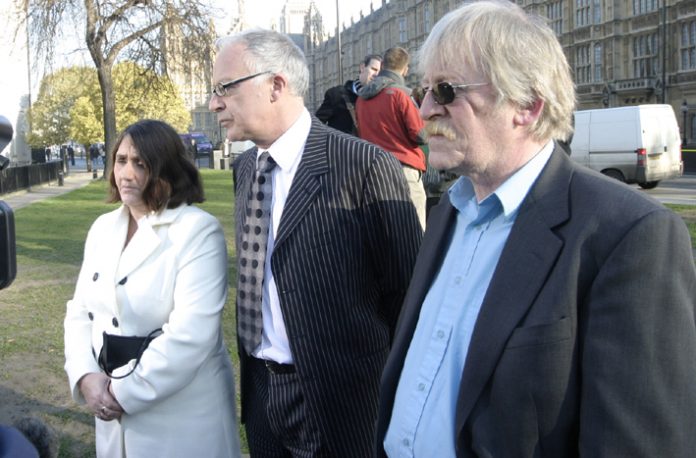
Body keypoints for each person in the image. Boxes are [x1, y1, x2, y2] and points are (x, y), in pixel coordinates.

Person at [376, 1, 696, 457]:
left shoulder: (629, 236)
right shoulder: (451, 209)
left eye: (445, 91)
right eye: (421, 90)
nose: (424, 110)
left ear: (526, 105)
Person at [209, 29, 422, 457]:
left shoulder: (364, 165)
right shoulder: (248, 168)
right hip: (264, 398)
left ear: (276, 85)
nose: (215, 103)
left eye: (225, 89)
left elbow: (407, 298)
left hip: (343, 406)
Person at [64, 119, 241, 457]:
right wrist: (86, 376)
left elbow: (191, 336)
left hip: (181, 419)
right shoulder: (102, 228)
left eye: (140, 164)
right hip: (112, 414)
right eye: (121, 160)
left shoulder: (198, 232)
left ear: (164, 169)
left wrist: (122, 394)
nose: (126, 174)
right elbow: (80, 311)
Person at [356, 47, 428, 229]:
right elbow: (420, 135)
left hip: (373, 171)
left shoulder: (362, 98)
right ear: (405, 69)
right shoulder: (401, 94)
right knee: (415, 231)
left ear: (383, 65)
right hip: (403, 170)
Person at [315, 54, 382, 134]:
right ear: (362, 67)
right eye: (374, 69)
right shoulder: (337, 95)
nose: (376, 75)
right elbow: (316, 126)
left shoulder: (382, 99)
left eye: (380, 72)